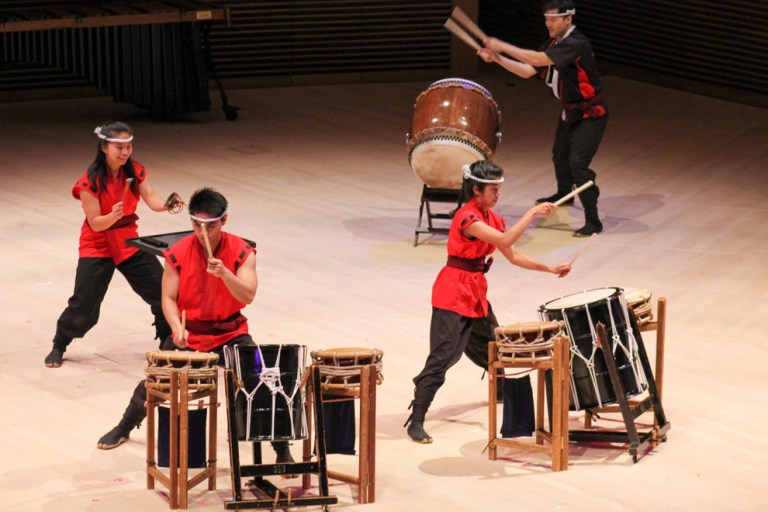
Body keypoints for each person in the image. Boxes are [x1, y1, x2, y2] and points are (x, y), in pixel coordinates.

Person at [97, 187, 294, 464]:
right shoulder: (177, 253)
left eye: (210, 226)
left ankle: (282, 450)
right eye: (197, 225)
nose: (203, 232)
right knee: (156, 381)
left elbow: (247, 295)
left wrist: (225, 274)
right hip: (191, 334)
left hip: (231, 332)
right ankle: (124, 427)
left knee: (263, 381)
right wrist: (176, 327)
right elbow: (168, 297)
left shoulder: (243, 251)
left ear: (223, 221)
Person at [404, 160, 571, 444]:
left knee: (495, 346)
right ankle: (416, 419)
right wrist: (531, 213)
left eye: (499, 188)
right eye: (493, 189)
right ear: (476, 190)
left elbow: (514, 254)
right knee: (442, 358)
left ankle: (503, 397)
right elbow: (506, 239)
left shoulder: (492, 218)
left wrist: (550, 268)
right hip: (453, 292)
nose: (497, 194)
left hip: (475, 291)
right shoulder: (467, 218)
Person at [45, 121, 183, 368]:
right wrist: (112, 216)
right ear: (104, 147)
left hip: (128, 241)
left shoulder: (136, 171)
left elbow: (151, 198)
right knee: (83, 306)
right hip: (97, 244)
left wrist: (167, 205)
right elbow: (96, 223)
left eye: (128, 146)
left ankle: (166, 339)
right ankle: (59, 343)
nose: (124, 152)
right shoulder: (89, 182)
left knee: (164, 292)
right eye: (118, 147)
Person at [478, 0, 608, 237]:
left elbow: (537, 59)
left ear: (568, 19)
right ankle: (563, 194)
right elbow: (528, 70)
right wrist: (496, 58)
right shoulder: (553, 43)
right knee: (560, 155)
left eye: (553, 19)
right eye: (546, 19)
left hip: (590, 114)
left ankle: (593, 220)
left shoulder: (576, 43)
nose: (548, 23)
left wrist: (502, 46)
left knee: (578, 164)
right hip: (569, 111)